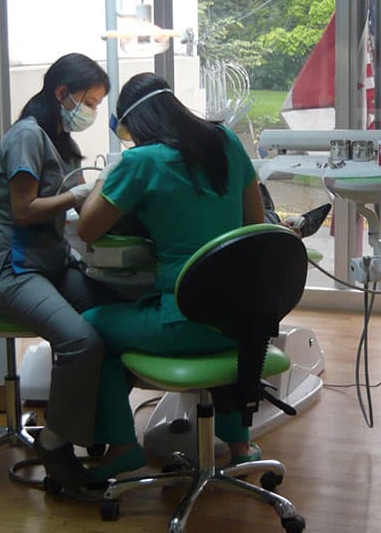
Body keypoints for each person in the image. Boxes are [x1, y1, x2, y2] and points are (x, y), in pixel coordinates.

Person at [75, 72, 268, 482]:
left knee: (90, 329)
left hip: (185, 321)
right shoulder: (227, 142)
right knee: (215, 321)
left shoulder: (140, 162)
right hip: (243, 320)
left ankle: (123, 447)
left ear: (135, 123)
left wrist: (111, 173)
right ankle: (239, 446)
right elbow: (256, 223)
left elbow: (88, 230)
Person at [0, 52, 122, 489]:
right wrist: (78, 195)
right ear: (63, 92)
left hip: (50, 264)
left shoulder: (59, 138)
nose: (92, 111)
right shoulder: (27, 136)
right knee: (80, 340)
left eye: (98, 104)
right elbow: (23, 211)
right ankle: (56, 443)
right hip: (11, 270)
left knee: (117, 316)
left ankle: (102, 428)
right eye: (90, 102)